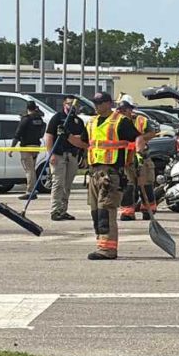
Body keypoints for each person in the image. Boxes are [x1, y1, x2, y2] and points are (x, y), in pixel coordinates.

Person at [67, 92, 139, 260]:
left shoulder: (121, 122)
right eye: (95, 103)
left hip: (111, 173)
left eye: (100, 103)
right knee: (96, 213)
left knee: (106, 211)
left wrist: (136, 159)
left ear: (108, 104)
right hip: (94, 173)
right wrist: (67, 136)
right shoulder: (91, 122)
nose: (97, 106)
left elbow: (137, 139)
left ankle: (108, 250)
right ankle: (101, 245)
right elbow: (84, 143)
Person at [116, 94, 159, 221]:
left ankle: (148, 209)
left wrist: (138, 139)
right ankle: (127, 211)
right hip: (125, 158)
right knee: (128, 185)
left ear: (131, 109)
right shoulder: (117, 122)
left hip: (142, 156)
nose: (124, 112)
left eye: (126, 109)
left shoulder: (141, 120)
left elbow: (152, 133)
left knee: (146, 184)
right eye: (121, 110)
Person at [44, 96, 85, 221]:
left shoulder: (78, 121)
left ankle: (63, 209)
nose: (72, 106)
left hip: (72, 155)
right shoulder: (57, 118)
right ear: (64, 104)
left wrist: (82, 156)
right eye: (69, 104)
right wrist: (50, 153)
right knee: (58, 183)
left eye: (74, 104)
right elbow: (49, 136)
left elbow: (82, 141)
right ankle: (55, 210)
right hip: (58, 154)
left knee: (67, 185)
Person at [11, 100, 46, 200]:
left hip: (26, 147)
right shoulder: (39, 119)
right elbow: (43, 128)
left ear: (27, 108)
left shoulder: (25, 119)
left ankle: (30, 191)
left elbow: (17, 134)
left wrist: (11, 149)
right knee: (32, 170)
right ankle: (33, 189)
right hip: (36, 146)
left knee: (29, 170)